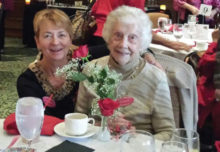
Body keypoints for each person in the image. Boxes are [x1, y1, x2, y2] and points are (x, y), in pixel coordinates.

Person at [75, 6, 175, 141]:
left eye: (132, 37)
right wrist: (102, 126)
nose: (123, 44)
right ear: (108, 38)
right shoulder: (90, 70)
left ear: (142, 43)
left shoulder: (156, 78)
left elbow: (168, 133)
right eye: (118, 35)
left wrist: (135, 138)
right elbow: (79, 119)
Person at [17, 9, 78, 119]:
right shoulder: (28, 80)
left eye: (61, 35)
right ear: (37, 42)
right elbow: (37, 121)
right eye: (47, 36)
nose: (55, 42)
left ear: (70, 39)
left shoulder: (84, 66)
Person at [87, 0, 192, 59]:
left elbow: (95, 10)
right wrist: (171, 44)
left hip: (94, 38)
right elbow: (140, 28)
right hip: (113, 41)